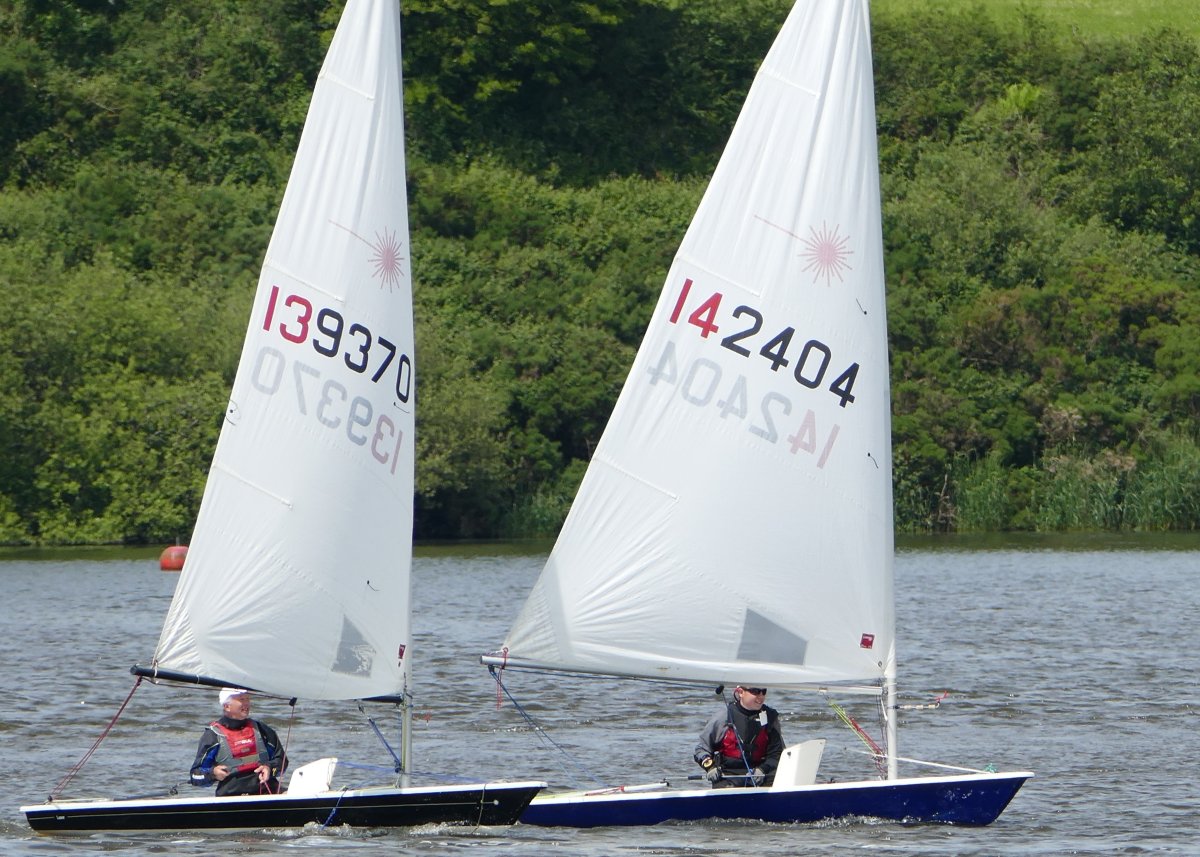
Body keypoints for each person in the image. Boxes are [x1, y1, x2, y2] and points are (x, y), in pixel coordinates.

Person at [190, 688, 288, 796]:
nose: (246, 703)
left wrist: (269, 767)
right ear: (227, 706)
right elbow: (195, 776)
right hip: (232, 796)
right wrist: (213, 774)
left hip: (267, 792)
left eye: (247, 699)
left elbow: (282, 761)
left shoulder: (261, 730)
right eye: (241, 699)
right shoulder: (213, 735)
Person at [693, 685, 784, 788]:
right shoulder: (724, 716)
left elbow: (777, 753)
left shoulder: (770, 717)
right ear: (740, 692)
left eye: (764, 692)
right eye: (756, 692)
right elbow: (701, 749)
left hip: (761, 776)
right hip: (728, 776)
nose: (761, 696)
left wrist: (762, 770)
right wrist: (710, 768)